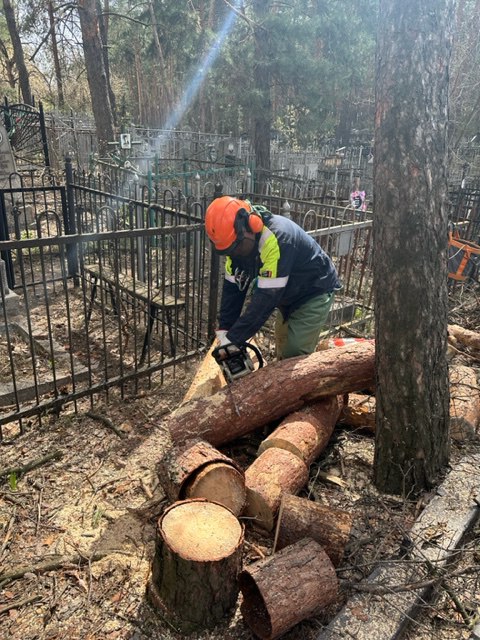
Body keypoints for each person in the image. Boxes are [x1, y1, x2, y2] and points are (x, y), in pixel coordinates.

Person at [205, 196, 341, 359]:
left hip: (314, 290)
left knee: (295, 351)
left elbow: (265, 299)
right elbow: (232, 290)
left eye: (237, 247)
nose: (234, 254)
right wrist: (224, 330)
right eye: (229, 250)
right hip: (288, 292)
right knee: (282, 342)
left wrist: (234, 339)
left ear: (251, 225)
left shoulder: (277, 239)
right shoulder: (236, 249)